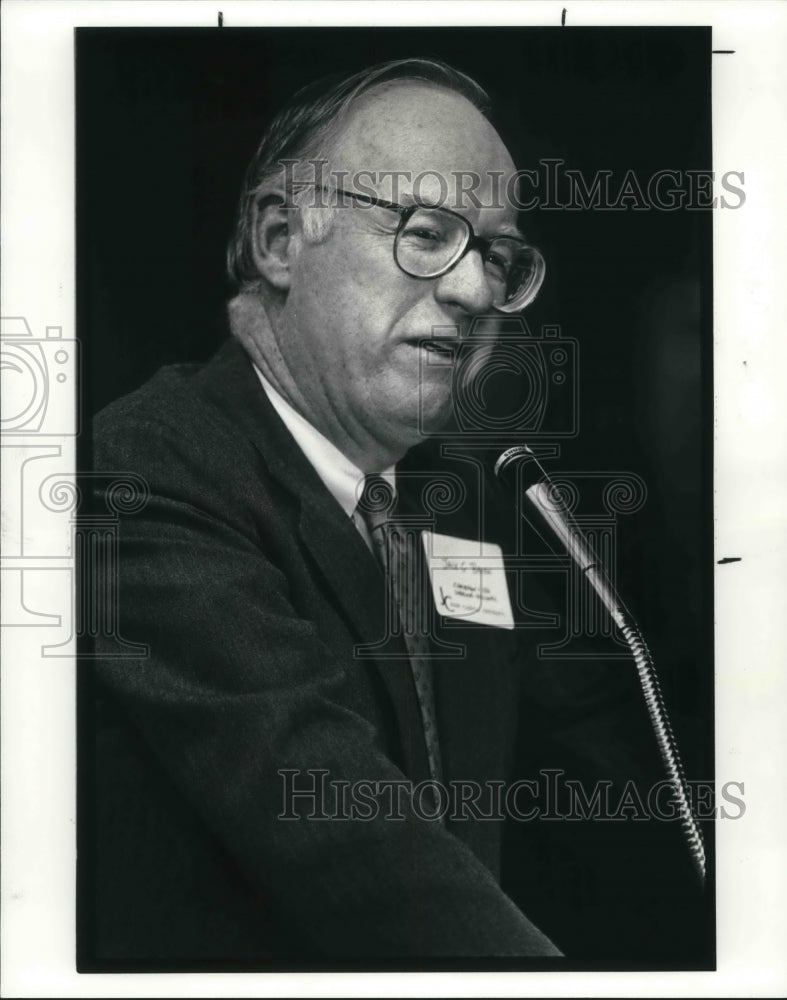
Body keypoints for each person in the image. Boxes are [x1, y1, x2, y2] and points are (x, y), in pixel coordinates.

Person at [86, 58, 704, 966]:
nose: (474, 291)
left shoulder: (476, 501)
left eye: (498, 255)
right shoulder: (147, 469)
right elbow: (343, 827)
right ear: (278, 239)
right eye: (424, 234)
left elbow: (599, 792)